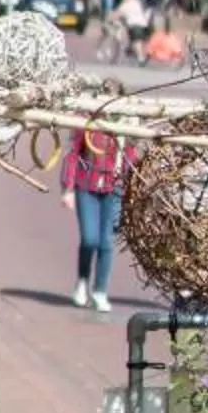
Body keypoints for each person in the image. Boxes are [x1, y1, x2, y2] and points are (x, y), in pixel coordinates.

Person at [62, 127, 132, 312]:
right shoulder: (88, 123)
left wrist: (131, 187)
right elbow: (73, 154)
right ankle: (82, 281)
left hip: (113, 190)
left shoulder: (128, 124)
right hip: (87, 186)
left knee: (106, 243)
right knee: (89, 239)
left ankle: (100, 291)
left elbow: (131, 157)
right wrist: (68, 188)